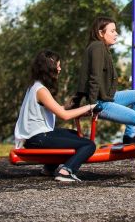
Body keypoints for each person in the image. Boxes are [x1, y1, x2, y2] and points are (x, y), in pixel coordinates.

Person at [71, 17, 135, 180]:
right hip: (101, 102)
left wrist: (79, 98)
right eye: (112, 31)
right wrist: (92, 105)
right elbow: (93, 77)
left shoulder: (99, 47)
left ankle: (129, 135)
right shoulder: (98, 47)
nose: (116, 34)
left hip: (108, 97)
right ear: (100, 32)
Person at [14, 50, 97, 182]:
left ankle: (49, 168)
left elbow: (59, 109)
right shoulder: (41, 90)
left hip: (36, 136)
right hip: (38, 138)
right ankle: (66, 171)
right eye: (57, 66)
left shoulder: (35, 86)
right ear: (49, 69)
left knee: (74, 134)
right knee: (89, 145)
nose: (60, 69)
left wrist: (74, 108)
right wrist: (90, 107)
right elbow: (64, 116)